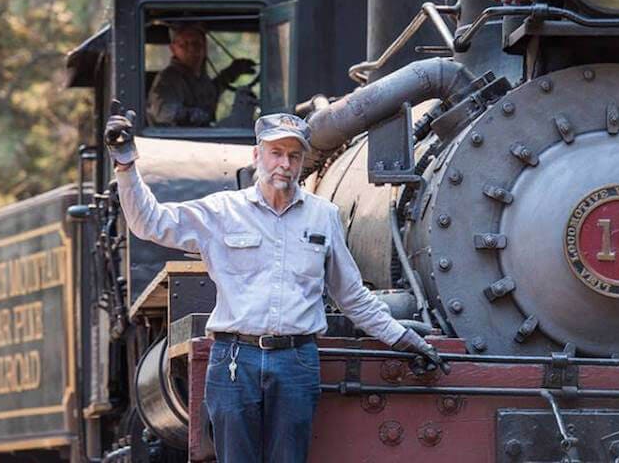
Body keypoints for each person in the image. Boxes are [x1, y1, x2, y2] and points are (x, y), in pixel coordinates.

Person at [105, 109, 447, 463]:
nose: (284, 163)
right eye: (276, 153)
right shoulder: (223, 211)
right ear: (257, 155)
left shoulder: (323, 216)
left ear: (302, 161)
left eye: (294, 155)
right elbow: (150, 223)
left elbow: (352, 296)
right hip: (235, 359)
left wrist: (404, 338)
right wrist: (127, 166)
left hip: (296, 361)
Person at [146, 24, 256, 127]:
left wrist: (232, 71)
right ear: (173, 49)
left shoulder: (199, 76)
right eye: (184, 45)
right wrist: (192, 115)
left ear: (205, 47)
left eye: (196, 44)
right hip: (180, 142)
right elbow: (163, 113)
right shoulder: (168, 79)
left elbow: (211, 92)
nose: (191, 49)